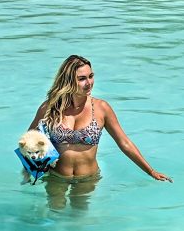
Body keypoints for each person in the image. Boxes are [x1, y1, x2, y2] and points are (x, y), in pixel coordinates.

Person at [28, 55, 171, 208]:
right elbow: (29, 139)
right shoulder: (50, 108)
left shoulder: (101, 108)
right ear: (68, 81)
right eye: (82, 79)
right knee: (55, 212)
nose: (89, 83)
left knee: (78, 215)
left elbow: (124, 142)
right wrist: (34, 168)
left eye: (91, 76)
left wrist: (151, 171)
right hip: (56, 177)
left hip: (87, 179)